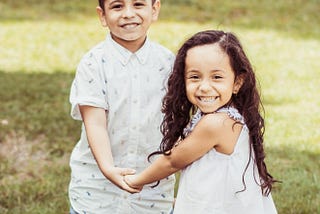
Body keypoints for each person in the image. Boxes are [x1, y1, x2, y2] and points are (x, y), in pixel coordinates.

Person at [124, 30, 278, 214]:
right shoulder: (228, 116)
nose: (204, 87)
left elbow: (172, 162)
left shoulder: (216, 124)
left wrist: (136, 181)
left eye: (217, 77)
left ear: (237, 82)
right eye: (195, 77)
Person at [68, 0, 175, 213]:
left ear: (154, 10)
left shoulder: (169, 63)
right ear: (102, 16)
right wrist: (108, 169)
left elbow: (178, 121)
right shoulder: (93, 63)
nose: (128, 13)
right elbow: (95, 123)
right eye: (117, 6)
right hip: (96, 190)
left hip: (153, 192)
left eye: (137, 4)